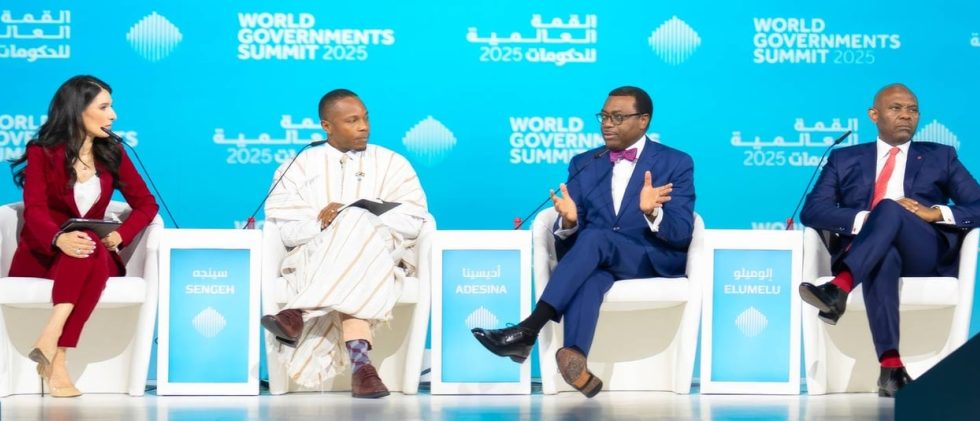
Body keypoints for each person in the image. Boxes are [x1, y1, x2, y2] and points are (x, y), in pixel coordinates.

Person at [471, 86, 696, 398]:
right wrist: (569, 222)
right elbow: (573, 234)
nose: (607, 124)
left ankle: (529, 329)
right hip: (598, 259)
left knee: (596, 238)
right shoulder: (584, 163)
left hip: (648, 257)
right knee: (590, 275)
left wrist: (652, 212)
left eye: (618, 117)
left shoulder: (676, 162)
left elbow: (682, 230)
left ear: (643, 120)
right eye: (603, 117)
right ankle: (575, 356)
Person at [799, 83, 980, 397]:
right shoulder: (844, 159)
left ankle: (840, 287)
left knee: (889, 207)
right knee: (884, 253)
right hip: (868, 252)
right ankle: (891, 369)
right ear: (874, 115)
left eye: (913, 110)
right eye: (896, 108)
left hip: (923, 251)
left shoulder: (940, 156)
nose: (906, 115)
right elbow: (813, 210)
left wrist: (935, 213)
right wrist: (868, 219)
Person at [260, 89, 430, 399]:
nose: (364, 126)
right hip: (316, 255)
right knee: (353, 241)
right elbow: (286, 230)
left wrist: (356, 215)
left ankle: (298, 312)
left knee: (356, 222)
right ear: (327, 126)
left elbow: (414, 220)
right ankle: (362, 367)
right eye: (352, 121)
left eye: (366, 118)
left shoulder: (393, 163)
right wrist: (328, 224)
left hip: (382, 252)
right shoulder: (298, 166)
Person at [8, 75, 159, 397]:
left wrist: (120, 235)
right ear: (78, 110)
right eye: (104, 107)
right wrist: (58, 238)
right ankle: (58, 356)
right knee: (85, 247)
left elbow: (147, 204)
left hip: (95, 251)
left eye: (111, 107)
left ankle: (52, 341)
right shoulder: (42, 151)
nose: (113, 115)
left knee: (88, 246)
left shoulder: (113, 152)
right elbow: (35, 210)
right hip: (45, 255)